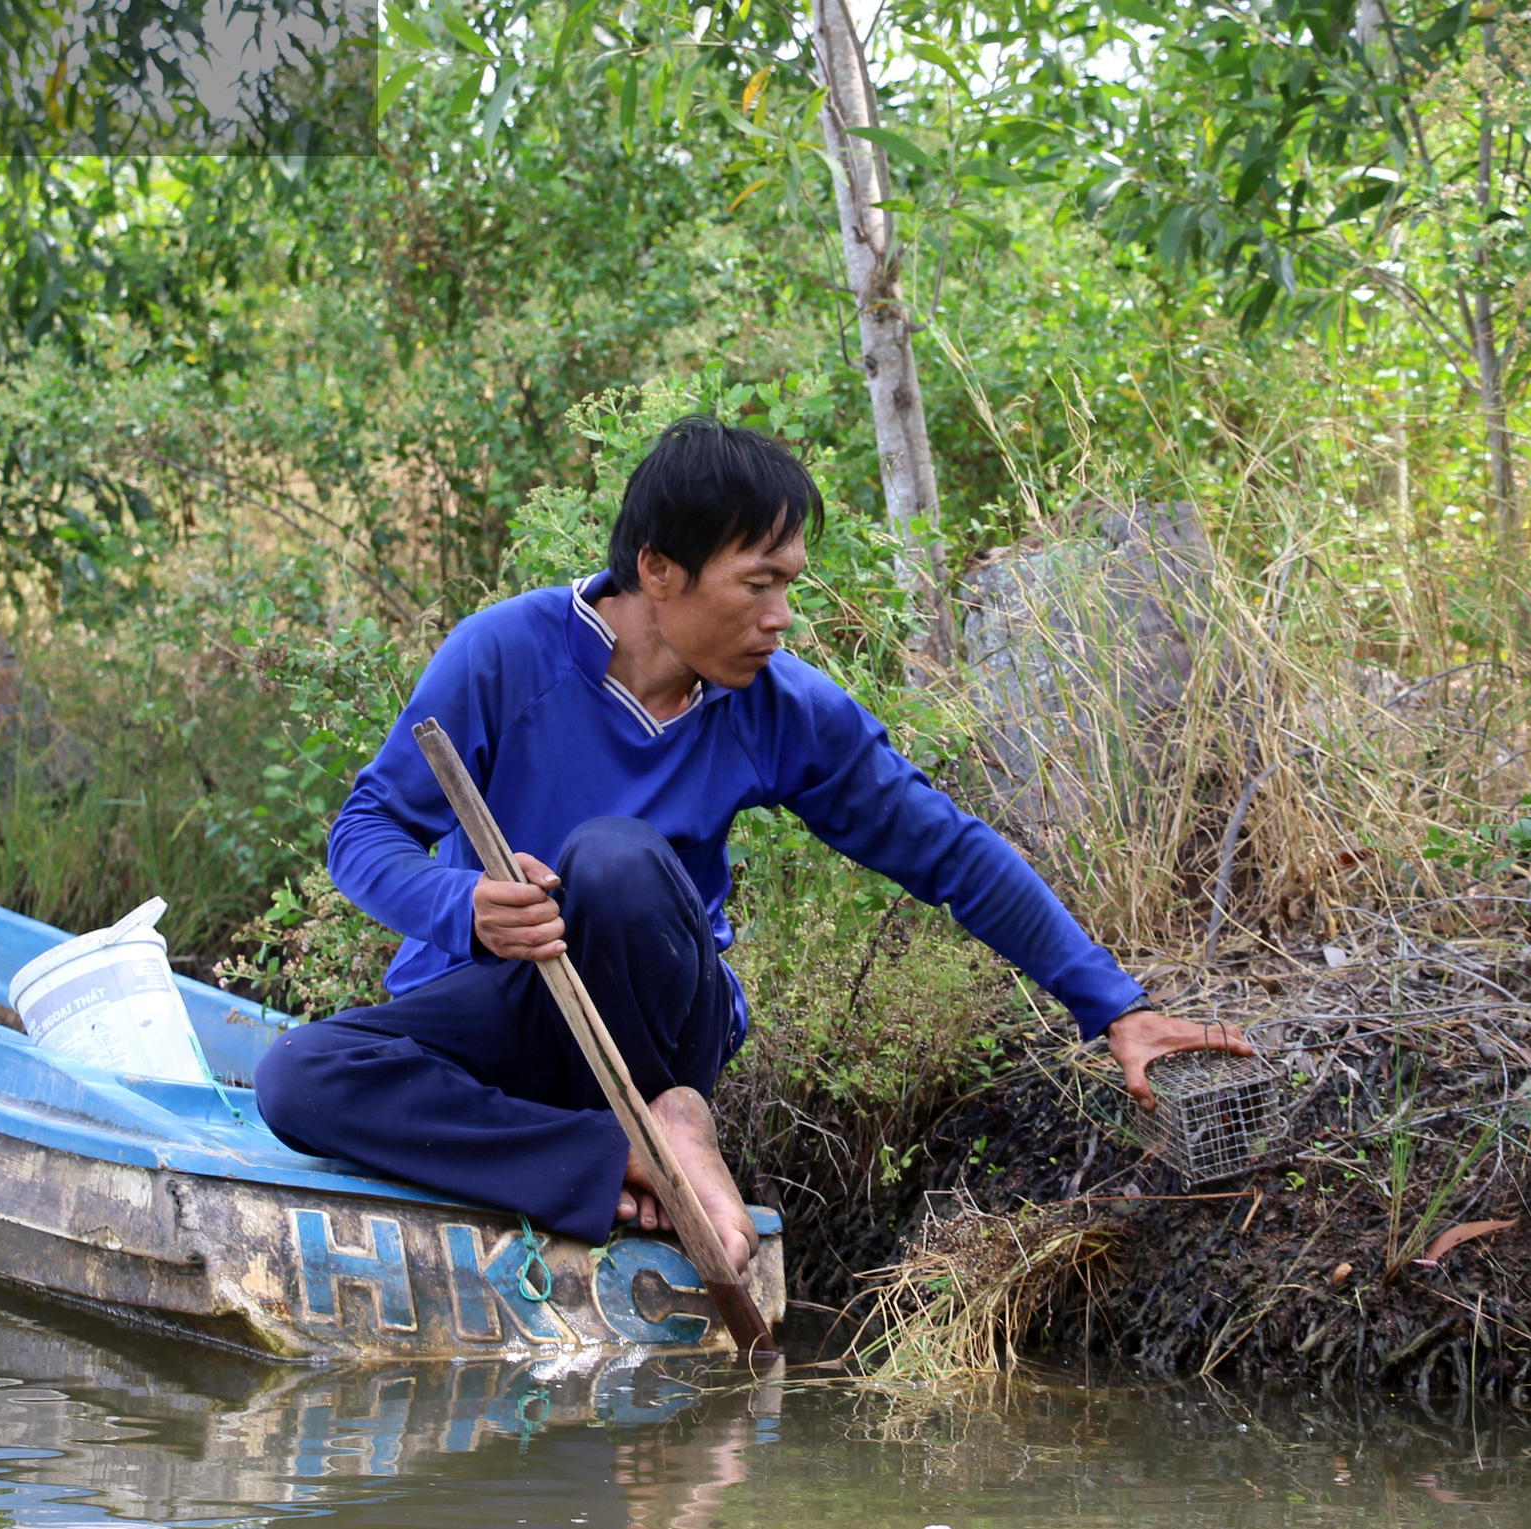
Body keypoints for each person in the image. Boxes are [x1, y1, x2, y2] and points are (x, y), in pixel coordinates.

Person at [253, 417, 1249, 1275]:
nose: (780, 620)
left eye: (789, 588)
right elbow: (365, 831)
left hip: (662, 1023)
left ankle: (668, 1113)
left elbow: (947, 852)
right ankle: (616, 1156)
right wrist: (460, 907)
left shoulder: (778, 708)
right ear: (657, 568)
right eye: (757, 584)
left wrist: (1114, 1007)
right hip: (516, 1008)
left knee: (613, 862)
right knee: (297, 1077)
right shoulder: (505, 655)